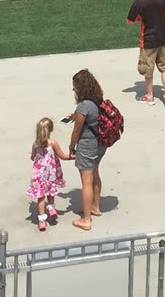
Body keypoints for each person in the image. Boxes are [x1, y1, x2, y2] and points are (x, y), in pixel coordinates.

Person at [67, 69, 107, 230]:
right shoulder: (98, 100)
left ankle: (86, 219)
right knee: (95, 174)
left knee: (86, 182)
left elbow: (76, 131)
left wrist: (71, 147)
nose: (73, 90)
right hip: (100, 145)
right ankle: (95, 207)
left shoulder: (84, 106)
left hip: (87, 146)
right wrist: (75, 116)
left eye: (75, 86)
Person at [127, 0, 165, 106]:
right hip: (163, 38)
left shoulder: (139, 2)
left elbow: (130, 20)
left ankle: (149, 95)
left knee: (148, 69)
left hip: (148, 40)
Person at [27, 117, 70, 231]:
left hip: (39, 175)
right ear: (51, 129)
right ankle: (51, 209)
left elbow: (33, 157)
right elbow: (63, 156)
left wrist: (32, 155)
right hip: (51, 173)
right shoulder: (53, 143)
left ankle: (42, 221)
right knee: (50, 192)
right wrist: (74, 156)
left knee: (41, 197)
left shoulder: (35, 144)